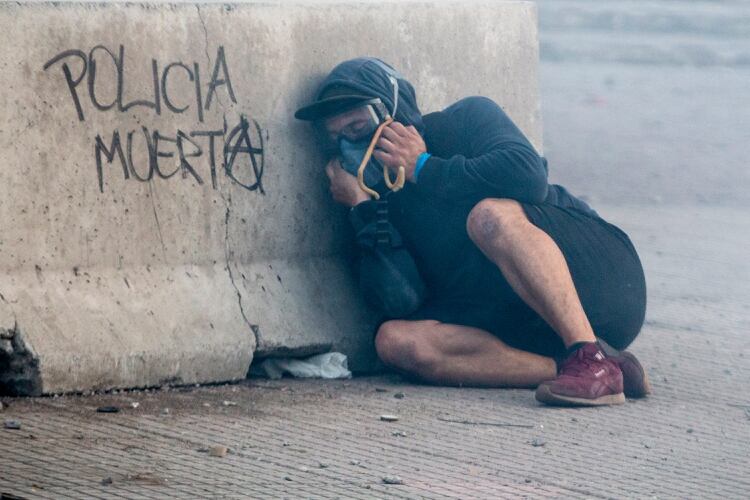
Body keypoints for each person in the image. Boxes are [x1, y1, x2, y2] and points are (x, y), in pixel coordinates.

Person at [295, 58, 650, 406]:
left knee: (488, 215)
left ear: (396, 115)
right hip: (520, 319)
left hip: (602, 278)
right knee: (394, 339)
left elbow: (529, 178)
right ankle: (588, 366)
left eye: (358, 129)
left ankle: (586, 354)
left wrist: (422, 166)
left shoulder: (463, 122)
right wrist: (363, 209)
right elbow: (401, 301)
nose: (349, 145)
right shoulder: (378, 201)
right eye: (336, 137)